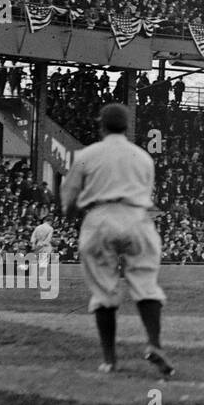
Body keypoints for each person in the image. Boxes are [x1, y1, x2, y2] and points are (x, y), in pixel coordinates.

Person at [60, 103, 175, 377]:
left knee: (104, 289)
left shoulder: (88, 154)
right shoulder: (143, 157)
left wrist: (73, 213)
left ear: (101, 125)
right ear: (127, 127)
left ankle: (110, 360)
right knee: (146, 284)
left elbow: (69, 198)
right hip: (137, 217)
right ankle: (154, 343)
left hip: (101, 216)